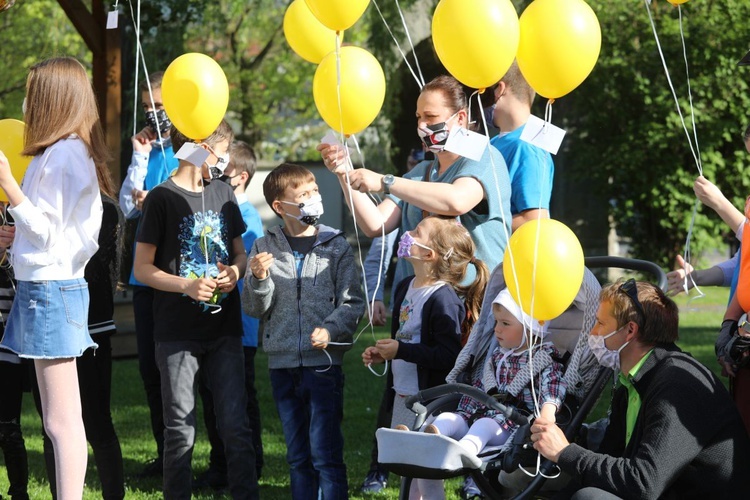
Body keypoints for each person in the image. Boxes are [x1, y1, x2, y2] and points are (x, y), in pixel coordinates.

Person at [531, 280, 750, 498]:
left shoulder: (675, 387)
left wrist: (564, 452)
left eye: (600, 323)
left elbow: (644, 483)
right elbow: (612, 454)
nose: (593, 332)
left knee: (591, 497)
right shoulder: (633, 380)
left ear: (630, 330)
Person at [0, 56, 108, 500]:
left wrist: (8, 182)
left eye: (32, 93)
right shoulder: (62, 152)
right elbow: (49, 229)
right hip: (46, 288)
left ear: (50, 99)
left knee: (61, 421)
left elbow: (45, 229)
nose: (26, 103)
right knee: (61, 418)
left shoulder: (63, 154)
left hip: (50, 290)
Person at [133, 121, 259, 499]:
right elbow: (142, 268)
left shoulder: (223, 192)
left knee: (235, 424)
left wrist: (235, 273)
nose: (225, 159)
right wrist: (186, 285)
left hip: (225, 332)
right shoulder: (161, 198)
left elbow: (239, 253)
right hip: (176, 334)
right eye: (222, 150)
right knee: (180, 429)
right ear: (201, 147)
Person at [318, 74, 512, 291]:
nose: (422, 125)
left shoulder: (487, 158)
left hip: (471, 306)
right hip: (419, 304)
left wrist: (385, 181)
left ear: (460, 118)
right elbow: (375, 224)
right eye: (419, 116)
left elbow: (457, 200)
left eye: (430, 116)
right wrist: (344, 172)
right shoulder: (421, 172)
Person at [243, 163, 365, 499]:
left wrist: (329, 329)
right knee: (298, 457)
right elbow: (254, 308)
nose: (314, 199)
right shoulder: (264, 248)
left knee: (325, 454)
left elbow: (353, 302)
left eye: (314, 191)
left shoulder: (335, 245)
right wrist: (258, 279)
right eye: (304, 195)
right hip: (282, 366)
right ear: (281, 207)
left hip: (323, 364)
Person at [363, 215, 489, 499]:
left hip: (430, 402)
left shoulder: (443, 299)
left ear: (429, 254)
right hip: (404, 397)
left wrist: (401, 351)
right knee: (410, 470)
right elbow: (403, 339)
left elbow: (448, 357)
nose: (407, 232)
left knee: (426, 472)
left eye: (416, 231)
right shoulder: (405, 286)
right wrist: (386, 354)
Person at [35, 192, 126, 500]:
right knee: (53, 424)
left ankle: (113, 494)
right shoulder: (40, 201)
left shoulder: (105, 207)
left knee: (97, 422)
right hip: (49, 326)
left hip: (91, 327)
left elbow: (102, 267)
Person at [118, 70, 179, 477]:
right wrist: (139, 160)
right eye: (147, 109)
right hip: (144, 280)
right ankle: (165, 454)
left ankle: (201, 456)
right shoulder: (146, 150)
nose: (154, 116)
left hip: (177, 277)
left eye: (160, 108)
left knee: (183, 371)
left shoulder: (191, 151)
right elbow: (126, 205)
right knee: (150, 370)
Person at [196, 140, 265, 491]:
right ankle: (220, 463)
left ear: (240, 177)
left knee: (239, 398)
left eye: (221, 171)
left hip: (241, 328)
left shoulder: (247, 218)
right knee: (211, 396)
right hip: (214, 321)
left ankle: (250, 463)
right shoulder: (212, 207)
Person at [425, 288, 565, 457]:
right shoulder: (498, 357)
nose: (497, 329)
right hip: (480, 415)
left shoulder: (542, 358)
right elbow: (479, 389)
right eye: (496, 322)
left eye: (505, 323)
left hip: (512, 424)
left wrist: (547, 413)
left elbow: (553, 387)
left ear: (530, 327)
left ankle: (460, 454)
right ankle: (424, 439)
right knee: (449, 418)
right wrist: (463, 414)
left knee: (484, 425)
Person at [489, 60, 555, 231]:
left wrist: (473, 226)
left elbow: (533, 220)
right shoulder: (495, 142)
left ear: (499, 89)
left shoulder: (527, 147)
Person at [0, 207, 29, 500]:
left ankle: (19, 491)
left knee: (8, 426)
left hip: (9, 338)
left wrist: (9, 253)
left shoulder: (19, 213)